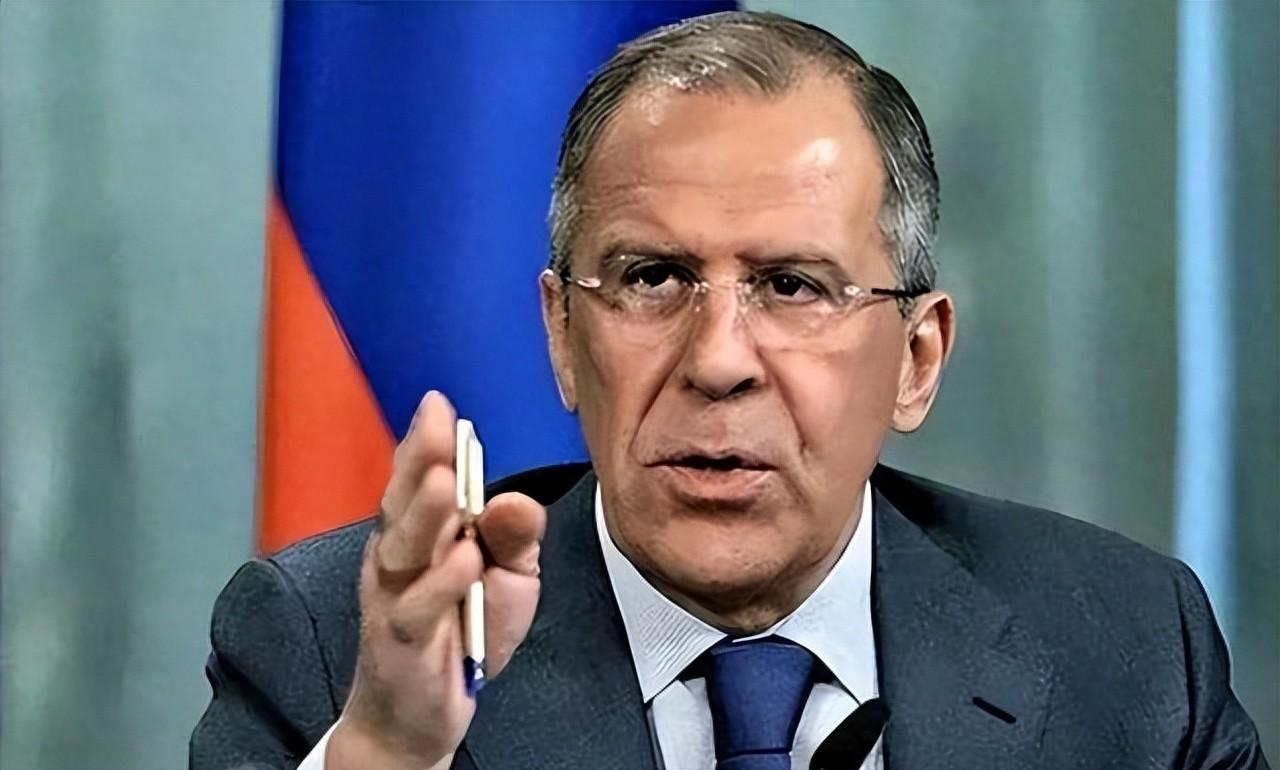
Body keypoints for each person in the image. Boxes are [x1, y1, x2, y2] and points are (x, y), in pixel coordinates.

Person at [190, 11, 1267, 770]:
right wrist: (387, 752)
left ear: (916, 358)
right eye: (653, 278)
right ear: (562, 335)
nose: (716, 360)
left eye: (791, 285)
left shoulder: (1126, 648)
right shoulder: (330, 650)